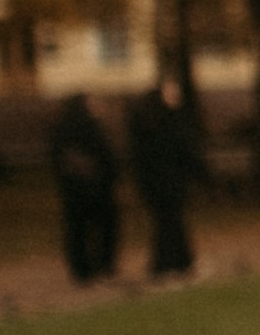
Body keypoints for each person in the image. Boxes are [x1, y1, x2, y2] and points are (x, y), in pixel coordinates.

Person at [125, 76, 208, 279]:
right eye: (171, 93)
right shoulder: (168, 122)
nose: (176, 97)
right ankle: (165, 264)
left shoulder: (146, 122)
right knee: (169, 223)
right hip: (168, 182)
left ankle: (180, 261)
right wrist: (203, 173)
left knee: (169, 222)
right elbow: (184, 151)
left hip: (158, 183)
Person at [50, 93, 121, 284]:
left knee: (78, 230)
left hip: (76, 191)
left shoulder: (62, 128)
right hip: (92, 190)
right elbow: (103, 157)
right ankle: (100, 266)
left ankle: (83, 269)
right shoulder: (88, 127)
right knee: (99, 228)